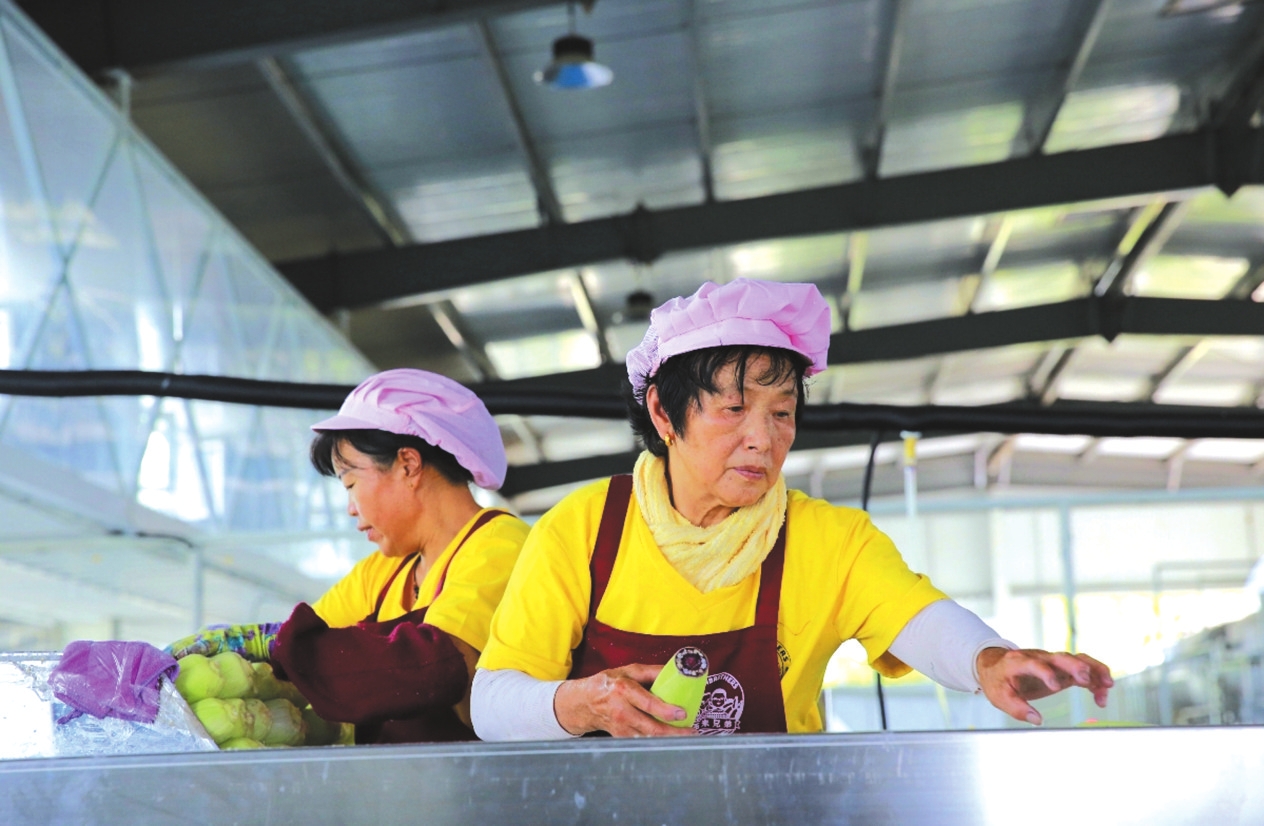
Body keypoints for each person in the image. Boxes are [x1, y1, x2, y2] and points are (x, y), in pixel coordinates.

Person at [470, 278, 1113, 739]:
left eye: (782, 414)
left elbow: (918, 617)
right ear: (663, 412)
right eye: (734, 409)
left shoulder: (828, 539)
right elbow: (492, 704)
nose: (763, 438)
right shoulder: (582, 529)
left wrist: (989, 660)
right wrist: (582, 704)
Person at [167, 369, 529, 743]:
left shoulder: (501, 546)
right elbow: (309, 642)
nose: (350, 508)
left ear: (408, 464)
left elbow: (438, 666)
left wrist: (272, 644)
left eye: (351, 483)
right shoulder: (385, 572)